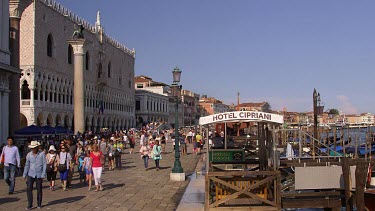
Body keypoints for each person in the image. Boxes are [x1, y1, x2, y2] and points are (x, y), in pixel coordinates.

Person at [23, 141, 46, 210]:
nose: (33, 149)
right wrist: (24, 174)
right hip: (30, 174)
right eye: (32, 148)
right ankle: (30, 204)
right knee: (29, 189)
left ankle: (39, 203)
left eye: (34, 148)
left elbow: (44, 165)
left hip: (39, 174)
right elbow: (27, 165)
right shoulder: (29, 155)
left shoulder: (42, 154)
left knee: (39, 189)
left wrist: (43, 174)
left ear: (37, 147)